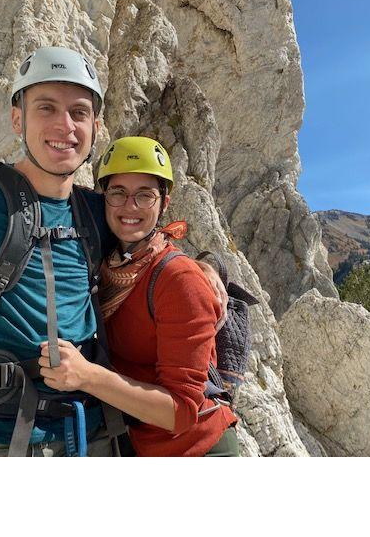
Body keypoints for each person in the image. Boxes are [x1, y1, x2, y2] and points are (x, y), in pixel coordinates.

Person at [0, 46, 227, 457]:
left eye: (79, 112)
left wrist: (202, 268)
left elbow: (147, 236)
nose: (64, 125)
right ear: (18, 119)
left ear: (95, 127)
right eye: (46, 107)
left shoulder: (93, 213)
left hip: (94, 435)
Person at [37, 136, 239, 456]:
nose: (130, 206)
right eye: (118, 192)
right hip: (140, 444)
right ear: (103, 197)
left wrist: (87, 377)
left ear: (164, 203)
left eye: (145, 195)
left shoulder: (178, 279)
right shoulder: (108, 261)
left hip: (196, 449)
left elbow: (182, 411)